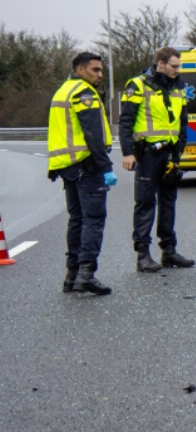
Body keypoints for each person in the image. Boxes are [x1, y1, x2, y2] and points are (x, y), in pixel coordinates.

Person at [119, 46, 195, 272]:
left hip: (170, 153)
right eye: (174, 66)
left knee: (168, 202)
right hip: (148, 153)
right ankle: (143, 255)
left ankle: (169, 251)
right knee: (145, 203)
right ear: (160, 64)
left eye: (179, 66)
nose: (177, 70)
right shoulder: (138, 85)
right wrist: (128, 152)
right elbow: (126, 121)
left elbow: (182, 121)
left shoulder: (179, 86)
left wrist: (179, 149)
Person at [47, 51, 115, 295]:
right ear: (80, 70)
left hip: (67, 166)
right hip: (87, 164)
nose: (100, 74)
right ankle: (86, 274)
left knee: (77, 219)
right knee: (93, 219)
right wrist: (106, 166)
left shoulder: (63, 90)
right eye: (95, 70)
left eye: (101, 70)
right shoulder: (85, 93)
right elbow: (93, 133)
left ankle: (72, 276)